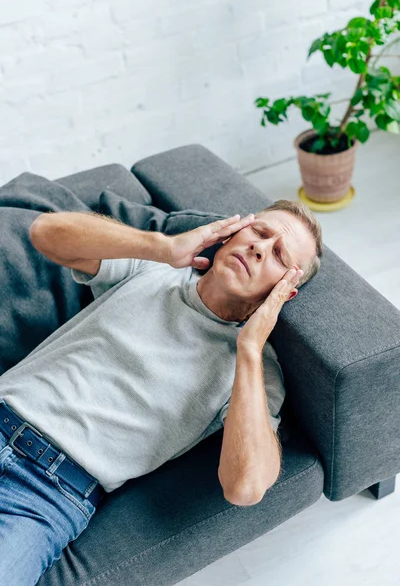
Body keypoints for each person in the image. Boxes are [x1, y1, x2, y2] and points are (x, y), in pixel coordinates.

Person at [0, 199, 322, 586]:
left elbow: (246, 488)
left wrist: (250, 349)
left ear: (284, 291)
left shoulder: (256, 372)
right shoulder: (152, 268)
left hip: (46, 496)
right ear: (234, 231)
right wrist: (162, 247)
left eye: (279, 255)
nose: (259, 248)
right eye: (259, 232)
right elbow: (45, 234)